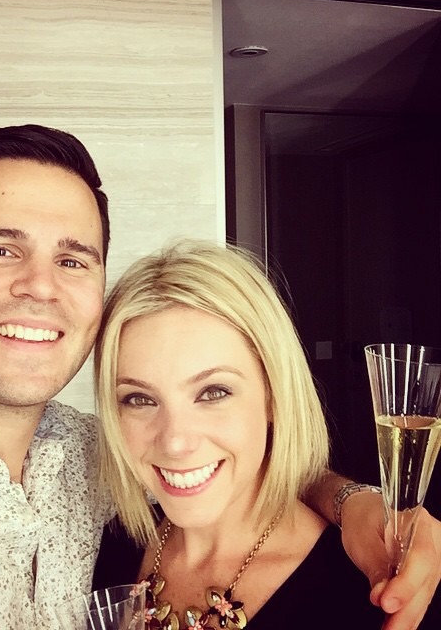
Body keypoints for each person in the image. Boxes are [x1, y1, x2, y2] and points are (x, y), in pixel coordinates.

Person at [0, 126, 438, 628]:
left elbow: (240, 467)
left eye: (72, 259)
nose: (40, 286)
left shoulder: (93, 460)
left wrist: (354, 503)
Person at [92, 239, 439, 629]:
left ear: (274, 395)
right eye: (138, 399)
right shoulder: (108, 545)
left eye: (213, 392)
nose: (174, 442)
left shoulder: (366, 592)